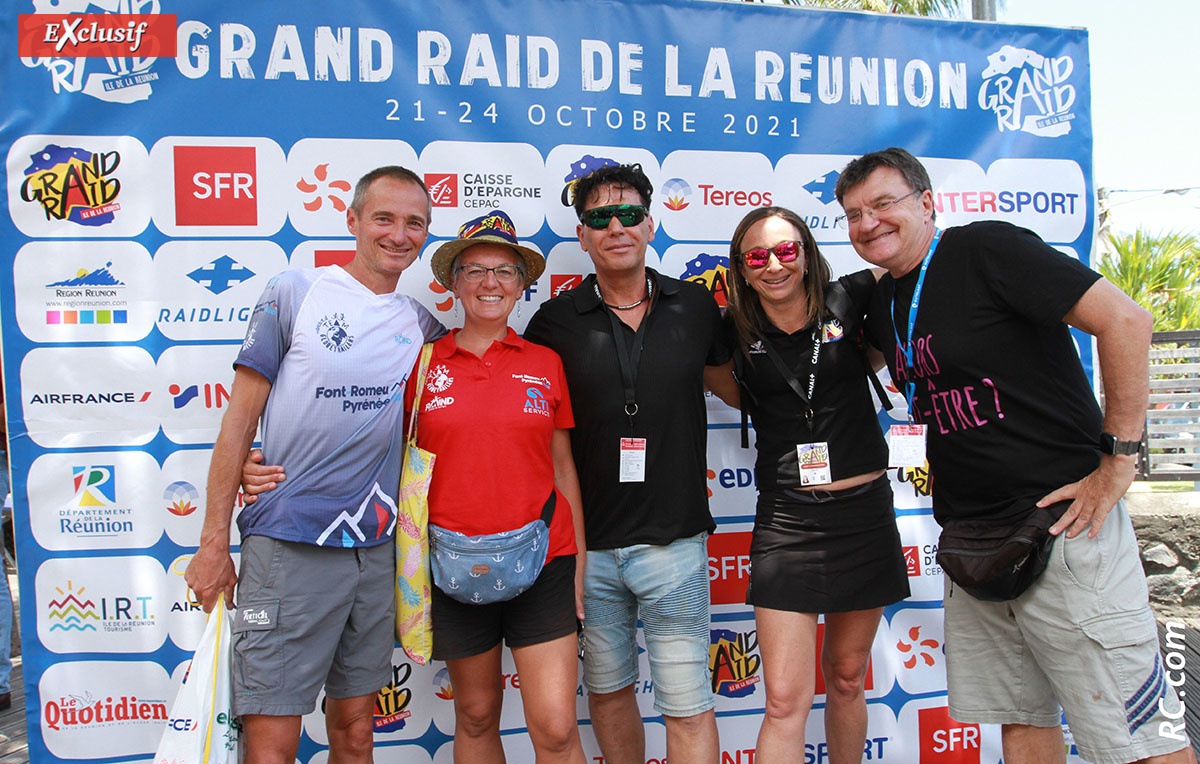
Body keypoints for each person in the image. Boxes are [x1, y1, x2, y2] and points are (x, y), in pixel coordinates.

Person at [835, 147, 1193, 764]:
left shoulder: (985, 250)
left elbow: (1127, 321)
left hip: (1064, 527)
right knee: (1020, 724)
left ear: (926, 202)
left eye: (883, 204)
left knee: (1136, 736)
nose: (869, 223)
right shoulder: (884, 301)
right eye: (854, 214)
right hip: (977, 545)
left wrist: (1119, 460)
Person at [243, 211, 589, 764]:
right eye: (475, 270)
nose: (490, 283)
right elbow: (345, 417)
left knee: (554, 728)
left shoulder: (546, 363)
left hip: (544, 559)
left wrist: (580, 565)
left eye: (504, 270)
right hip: (448, 563)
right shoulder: (420, 357)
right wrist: (255, 460)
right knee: (475, 716)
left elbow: (564, 468)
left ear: (523, 285)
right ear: (453, 283)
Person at [185, 166, 446, 764]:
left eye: (415, 223)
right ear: (352, 220)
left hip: (373, 553)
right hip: (288, 546)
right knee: (272, 738)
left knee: (356, 729)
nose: (398, 234)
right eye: (384, 218)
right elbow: (237, 422)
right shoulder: (293, 292)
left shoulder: (420, 325)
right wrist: (211, 543)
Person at [523, 163, 732, 764]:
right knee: (610, 696)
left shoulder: (694, 306)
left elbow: (742, 391)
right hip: (587, 551)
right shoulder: (553, 323)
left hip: (675, 543)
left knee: (688, 703)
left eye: (629, 214)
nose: (616, 226)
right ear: (583, 236)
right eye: (598, 218)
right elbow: (526, 429)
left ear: (650, 223)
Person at [711, 206, 908, 764]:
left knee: (847, 677)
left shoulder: (851, 298)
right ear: (742, 271)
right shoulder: (731, 331)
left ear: (807, 253)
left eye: (787, 250)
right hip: (789, 521)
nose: (774, 265)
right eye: (757, 256)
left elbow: (893, 285)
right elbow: (729, 390)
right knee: (783, 702)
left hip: (865, 514)